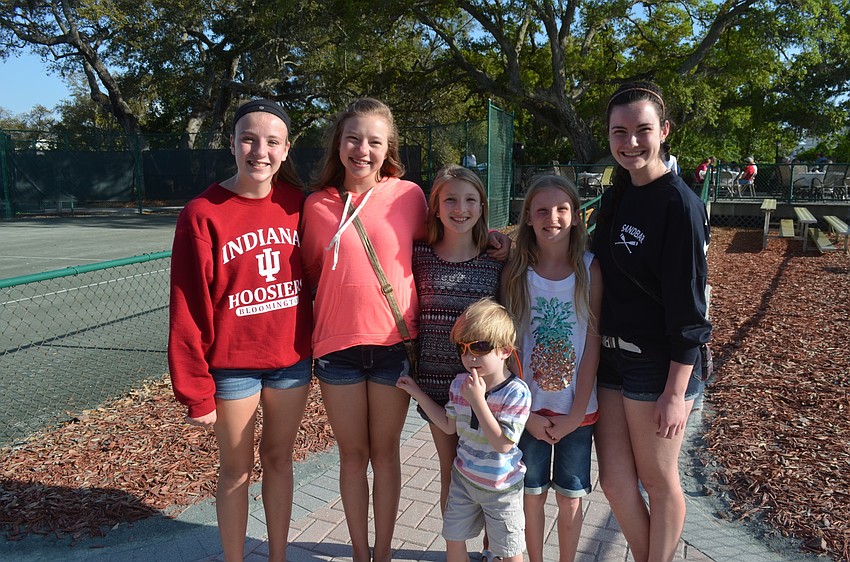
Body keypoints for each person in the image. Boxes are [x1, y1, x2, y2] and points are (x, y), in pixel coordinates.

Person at [300, 98, 511, 562]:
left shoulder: (408, 195)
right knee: (352, 456)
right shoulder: (315, 206)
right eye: (353, 139)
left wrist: (496, 240)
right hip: (336, 350)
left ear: (388, 148)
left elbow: (449, 230)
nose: (363, 150)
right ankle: (360, 553)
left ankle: (383, 553)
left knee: (385, 454)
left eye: (374, 141)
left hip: (393, 346)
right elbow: (313, 272)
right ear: (338, 144)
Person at [168, 99, 313, 562]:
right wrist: (195, 390)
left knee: (279, 461)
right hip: (232, 367)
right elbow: (188, 306)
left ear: (286, 150)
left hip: (291, 361)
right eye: (249, 139)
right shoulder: (202, 212)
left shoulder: (300, 205)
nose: (260, 151)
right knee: (235, 471)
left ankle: (277, 556)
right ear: (232, 144)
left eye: (272, 142)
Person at [591, 81, 711, 562]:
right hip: (610, 360)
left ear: (664, 131)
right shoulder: (617, 195)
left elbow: (691, 309)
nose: (631, 142)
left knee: (658, 482)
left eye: (642, 130)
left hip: (657, 366)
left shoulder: (679, 204)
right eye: (619, 132)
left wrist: (676, 392)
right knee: (615, 482)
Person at [501, 174, 602, 562]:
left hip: (578, 411)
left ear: (576, 216)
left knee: (570, 498)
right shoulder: (516, 272)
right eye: (542, 210)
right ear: (528, 217)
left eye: (562, 209)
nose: (552, 218)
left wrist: (576, 414)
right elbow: (508, 346)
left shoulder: (590, 270)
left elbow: (592, 344)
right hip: (529, 410)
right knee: (531, 495)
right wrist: (524, 414)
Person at [396, 298, 531, 562]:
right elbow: (448, 426)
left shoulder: (516, 393)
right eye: (463, 348)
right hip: (463, 482)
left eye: (480, 347)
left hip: (502, 489)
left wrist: (478, 401)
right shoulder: (460, 384)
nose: (470, 357)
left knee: (509, 549)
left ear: (505, 350)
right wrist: (418, 393)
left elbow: (504, 444)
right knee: (453, 538)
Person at [413, 164, 503, 511]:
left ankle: (492, 540)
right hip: (437, 385)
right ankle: (454, 541)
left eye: (470, 200)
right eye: (450, 200)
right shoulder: (419, 256)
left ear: (481, 207)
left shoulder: (496, 260)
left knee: (490, 478)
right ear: (435, 207)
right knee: (452, 474)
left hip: (486, 389)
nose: (460, 209)